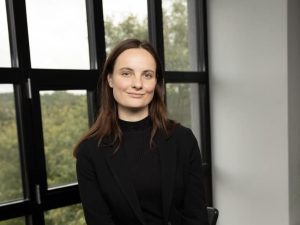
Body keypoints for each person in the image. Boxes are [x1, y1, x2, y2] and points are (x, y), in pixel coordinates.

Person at [73, 38, 209, 225]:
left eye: (147, 75)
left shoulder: (182, 139)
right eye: (127, 73)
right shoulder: (90, 152)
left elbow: (196, 217)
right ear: (110, 79)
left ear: (156, 83)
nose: (138, 84)